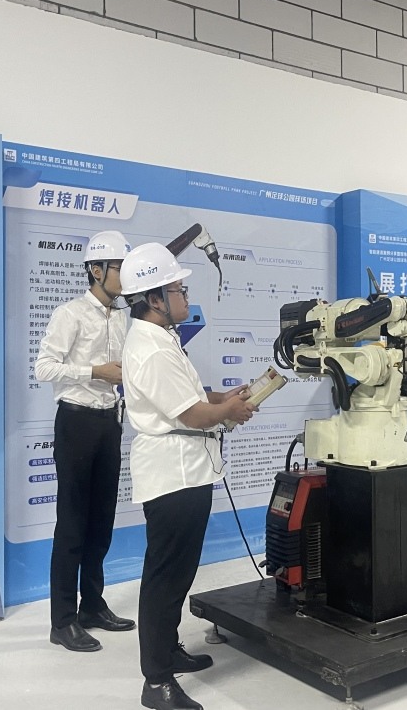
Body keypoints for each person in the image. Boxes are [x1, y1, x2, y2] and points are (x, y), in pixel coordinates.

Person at [119, 242, 258, 710]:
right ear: (154, 299)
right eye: (178, 289)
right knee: (164, 576)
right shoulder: (151, 348)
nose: (185, 297)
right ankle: (156, 681)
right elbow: (193, 415)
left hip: (185, 470)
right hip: (172, 474)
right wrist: (228, 411)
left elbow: (194, 396)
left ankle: (168, 649)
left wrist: (225, 398)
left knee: (178, 571)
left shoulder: (160, 339)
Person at [34, 230, 137, 652]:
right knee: (73, 524)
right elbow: (44, 367)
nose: (125, 277)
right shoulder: (70, 314)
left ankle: (93, 605)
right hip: (75, 423)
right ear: (96, 270)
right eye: (119, 269)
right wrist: (94, 372)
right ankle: (62, 621)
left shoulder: (123, 317)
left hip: (110, 423)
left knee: (101, 521)